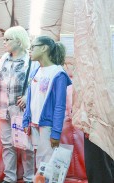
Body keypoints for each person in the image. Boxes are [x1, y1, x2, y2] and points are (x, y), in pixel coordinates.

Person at [0, 26, 38, 183]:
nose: (4, 42)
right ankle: (10, 178)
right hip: (3, 108)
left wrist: (28, 97)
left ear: (19, 41)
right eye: (4, 39)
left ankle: (28, 178)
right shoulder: (4, 58)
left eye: (7, 39)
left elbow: (38, 82)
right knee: (7, 145)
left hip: (21, 110)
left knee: (26, 146)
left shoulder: (31, 61)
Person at [22, 36, 72, 168]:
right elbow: (31, 98)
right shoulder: (35, 71)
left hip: (47, 125)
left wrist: (56, 132)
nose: (30, 50)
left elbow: (60, 106)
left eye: (33, 47)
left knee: (48, 164)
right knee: (40, 163)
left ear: (44, 48)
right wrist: (26, 120)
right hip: (34, 124)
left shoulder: (58, 74)